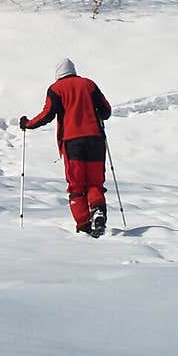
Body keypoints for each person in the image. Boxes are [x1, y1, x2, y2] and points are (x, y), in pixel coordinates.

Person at [20, 58, 112, 237]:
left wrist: (28, 124)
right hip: (96, 140)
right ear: (73, 70)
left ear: (57, 74)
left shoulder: (56, 89)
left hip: (72, 142)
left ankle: (84, 225)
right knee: (95, 182)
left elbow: (47, 115)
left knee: (76, 186)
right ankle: (98, 211)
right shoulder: (88, 84)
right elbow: (106, 111)